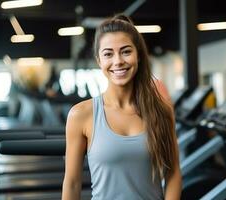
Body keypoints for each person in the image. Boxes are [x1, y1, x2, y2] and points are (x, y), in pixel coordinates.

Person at [62, 14, 182, 200]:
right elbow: (72, 183)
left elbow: (173, 174)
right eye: (108, 54)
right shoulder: (81, 115)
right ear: (99, 60)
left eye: (126, 51)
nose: (118, 61)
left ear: (139, 55)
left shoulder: (162, 111)